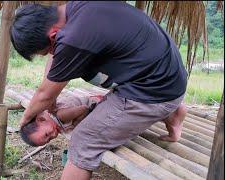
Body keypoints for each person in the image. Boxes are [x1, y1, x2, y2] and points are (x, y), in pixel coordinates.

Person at [10, 2, 188, 180]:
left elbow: (44, 95)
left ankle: (166, 109)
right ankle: (172, 115)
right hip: (167, 78)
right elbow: (52, 76)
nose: (52, 54)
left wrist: (26, 118)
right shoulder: (77, 8)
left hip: (152, 91)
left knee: (83, 141)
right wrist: (50, 97)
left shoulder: (74, 37)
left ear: (52, 36)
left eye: (47, 51)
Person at [20, 95, 103, 146]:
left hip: (98, 103)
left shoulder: (61, 115)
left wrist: (76, 126)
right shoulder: (54, 122)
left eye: (47, 134)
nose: (53, 135)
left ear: (41, 119)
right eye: (49, 139)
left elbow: (84, 109)